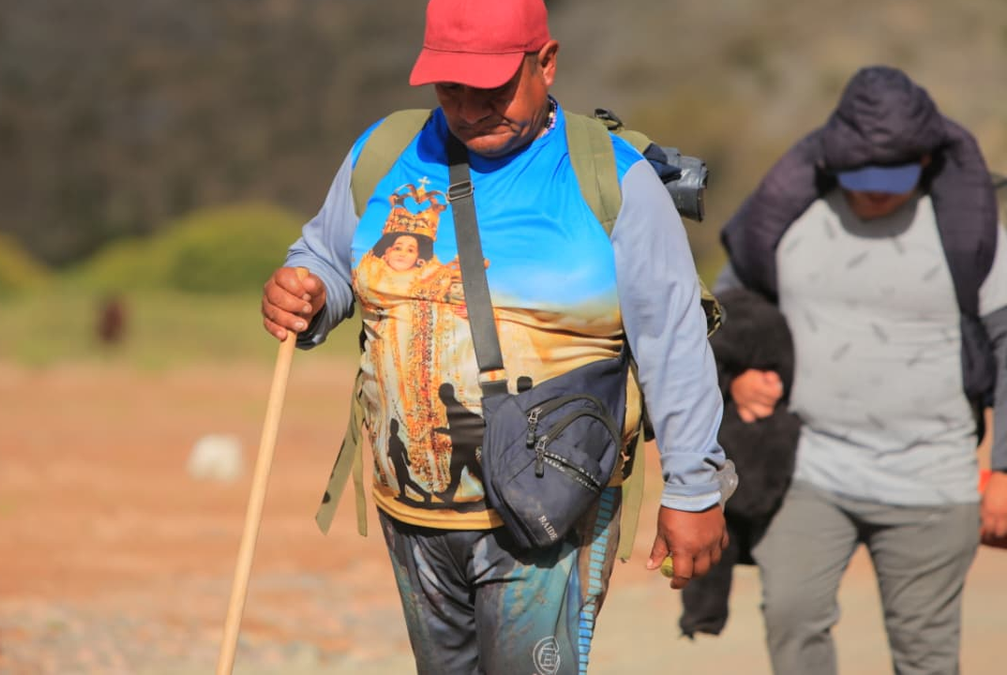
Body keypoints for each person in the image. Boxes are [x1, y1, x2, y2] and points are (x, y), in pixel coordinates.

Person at [261, 1, 729, 672]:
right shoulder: (384, 154)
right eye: (452, 90)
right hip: (413, 511)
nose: (472, 108)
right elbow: (328, 261)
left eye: (493, 89)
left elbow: (674, 341)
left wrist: (693, 490)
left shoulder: (614, 179)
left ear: (546, 63)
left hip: (550, 511)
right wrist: (305, 291)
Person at [717, 65, 1007, 675]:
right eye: (861, 177)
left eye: (891, 178)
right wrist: (736, 376)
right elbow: (724, 313)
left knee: (926, 656)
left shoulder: (971, 234)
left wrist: (1005, 470)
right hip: (809, 470)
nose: (875, 193)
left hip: (933, 479)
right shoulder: (786, 221)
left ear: (925, 158)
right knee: (792, 620)